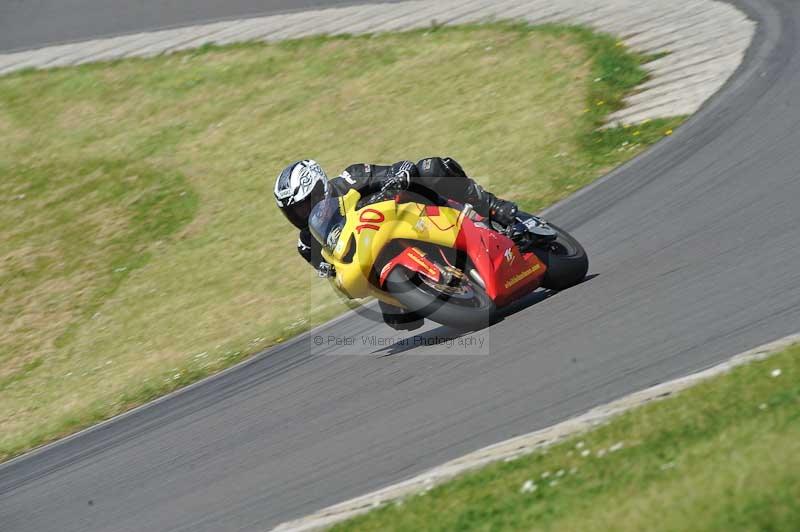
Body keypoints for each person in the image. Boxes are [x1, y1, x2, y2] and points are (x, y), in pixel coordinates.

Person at [273, 157, 518, 330]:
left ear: (320, 187)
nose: (302, 215)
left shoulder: (352, 178)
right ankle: (437, 281)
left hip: (412, 215)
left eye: (305, 205)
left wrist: (399, 175)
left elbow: (397, 169)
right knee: (401, 320)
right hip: (379, 259)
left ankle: (492, 207)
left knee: (431, 167)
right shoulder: (307, 244)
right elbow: (334, 270)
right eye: (294, 212)